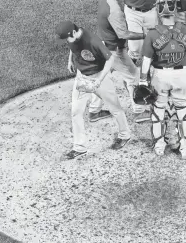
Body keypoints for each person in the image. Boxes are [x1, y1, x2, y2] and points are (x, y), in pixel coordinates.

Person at [56, 20, 131, 160]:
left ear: (73, 32)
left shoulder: (92, 41)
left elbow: (110, 60)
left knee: (115, 107)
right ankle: (79, 148)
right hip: (82, 78)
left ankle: (124, 135)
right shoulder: (73, 36)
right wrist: (70, 60)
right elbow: (72, 47)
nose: (67, 40)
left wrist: (100, 79)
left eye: (67, 37)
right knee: (76, 112)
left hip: (99, 77)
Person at [139, 0, 186, 159]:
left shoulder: (152, 34)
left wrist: (143, 79)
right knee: (183, 111)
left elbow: (146, 60)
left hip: (160, 76)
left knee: (158, 110)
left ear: (158, 11)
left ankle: (159, 144)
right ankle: (185, 147)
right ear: (175, 9)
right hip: (180, 75)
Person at [121, 0, 173, 121]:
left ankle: (150, 88)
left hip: (151, 12)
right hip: (133, 13)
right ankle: (136, 100)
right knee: (135, 53)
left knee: (151, 50)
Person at [88, 0, 149, 123]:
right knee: (134, 76)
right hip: (113, 51)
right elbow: (123, 34)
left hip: (101, 46)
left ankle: (94, 111)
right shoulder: (114, 9)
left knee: (100, 80)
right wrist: (145, 35)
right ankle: (139, 112)